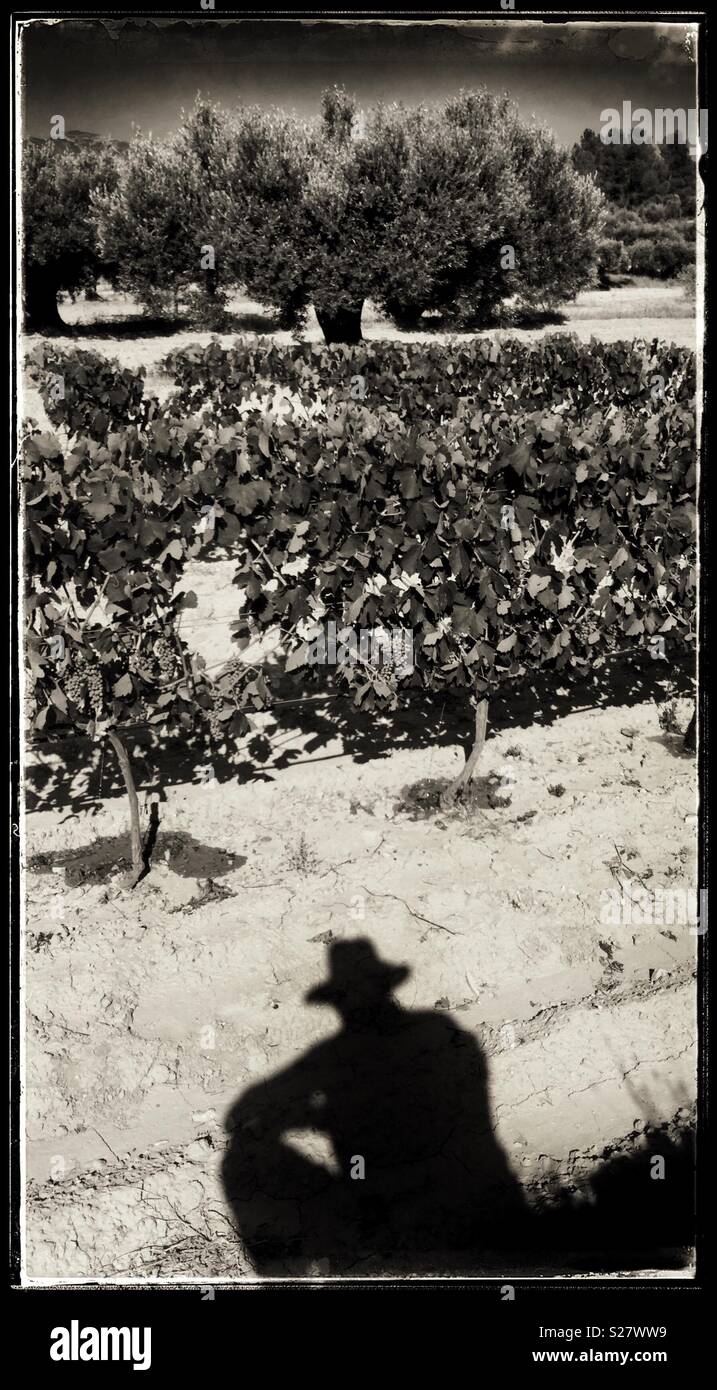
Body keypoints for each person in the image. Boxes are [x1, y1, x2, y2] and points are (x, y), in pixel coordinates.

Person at [222, 938, 528, 1274]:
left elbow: (245, 1111)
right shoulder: (441, 1032)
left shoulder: (340, 1054)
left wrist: (313, 1117)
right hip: (479, 1196)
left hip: (411, 1210)